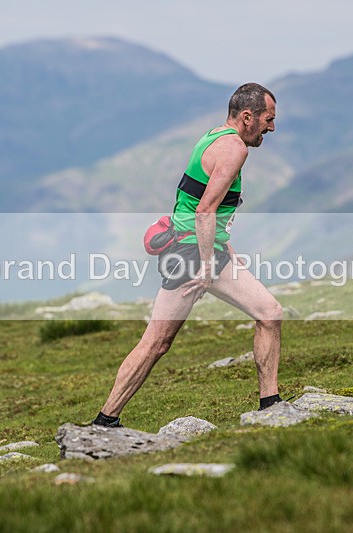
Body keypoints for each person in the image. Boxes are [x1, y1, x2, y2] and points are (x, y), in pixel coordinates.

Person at [93, 83, 283, 428]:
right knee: (266, 313)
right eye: (268, 119)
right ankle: (271, 408)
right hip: (194, 252)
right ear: (247, 117)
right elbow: (205, 211)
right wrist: (209, 265)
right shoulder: (235, 149)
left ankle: (105, 420)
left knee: (157, 342)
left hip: (187, 247)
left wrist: (225, 251)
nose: (271, 127)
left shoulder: (212, 137)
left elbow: (193, 202)